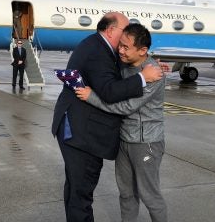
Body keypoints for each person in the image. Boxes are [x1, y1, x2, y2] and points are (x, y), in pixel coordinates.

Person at [51, 12, 163, 222]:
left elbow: (125, 67)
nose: (126, 36)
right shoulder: (97, 51)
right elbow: (110, 91)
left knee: (77, 190)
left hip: (84, 132)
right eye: (125, 30)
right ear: (112, 30)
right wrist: (143, 76)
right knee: (81, 192)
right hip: (82, 135)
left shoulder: (99, 46)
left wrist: (148, 65)